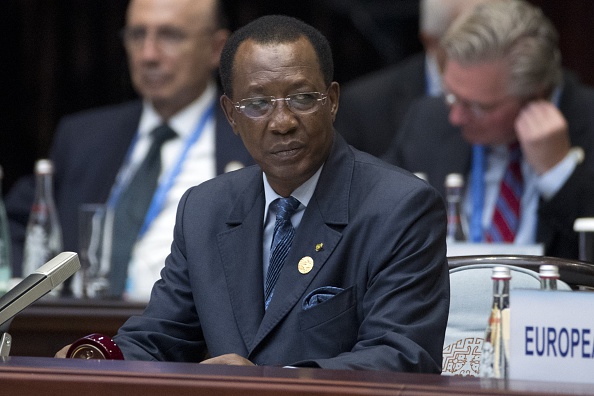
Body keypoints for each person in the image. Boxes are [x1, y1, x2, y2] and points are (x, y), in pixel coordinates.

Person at [57, 15, 450, 372]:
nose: (282, 122)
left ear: (331, 101)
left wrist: (267, 381)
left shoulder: (399, 206)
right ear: (231, 115)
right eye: (258, 103)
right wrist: (94, 355)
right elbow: (163, 335)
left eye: (301, 98)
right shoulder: (205, 208)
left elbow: (402, 354)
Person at [5, 0, 253, 301]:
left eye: (170, 35)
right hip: (76, 330)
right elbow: (13, 228)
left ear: (217, 49)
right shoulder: (84, 137)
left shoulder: (253, 141)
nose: (148, 55)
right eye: (137, 35)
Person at [383, 0, 594, 260]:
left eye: (479, 107)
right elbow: (375, 218)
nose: (456, 117)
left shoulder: (586, 120)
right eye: (451, 96)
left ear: (535, 95)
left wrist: (560, 174)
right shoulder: (429, 118)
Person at [334, 0, 489, 158]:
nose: (484, 55)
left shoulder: (507, 100)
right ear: (430, 40)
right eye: (468, 44)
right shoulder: (363, 107)